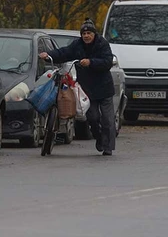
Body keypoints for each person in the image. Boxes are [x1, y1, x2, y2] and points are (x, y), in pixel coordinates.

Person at [39, 18, 116, 156]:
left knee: (108, 119)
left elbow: (107, 61)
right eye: (84, 33)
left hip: (104, 88)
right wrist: (48, 55)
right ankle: (99, 139)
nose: (86, 36)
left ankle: (108, 147)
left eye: (89, 33)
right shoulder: (77, 45)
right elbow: (64, 53)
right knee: (92, 117)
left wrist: (91, 62)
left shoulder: (102, 44)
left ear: (94, 34)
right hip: (87, 90)